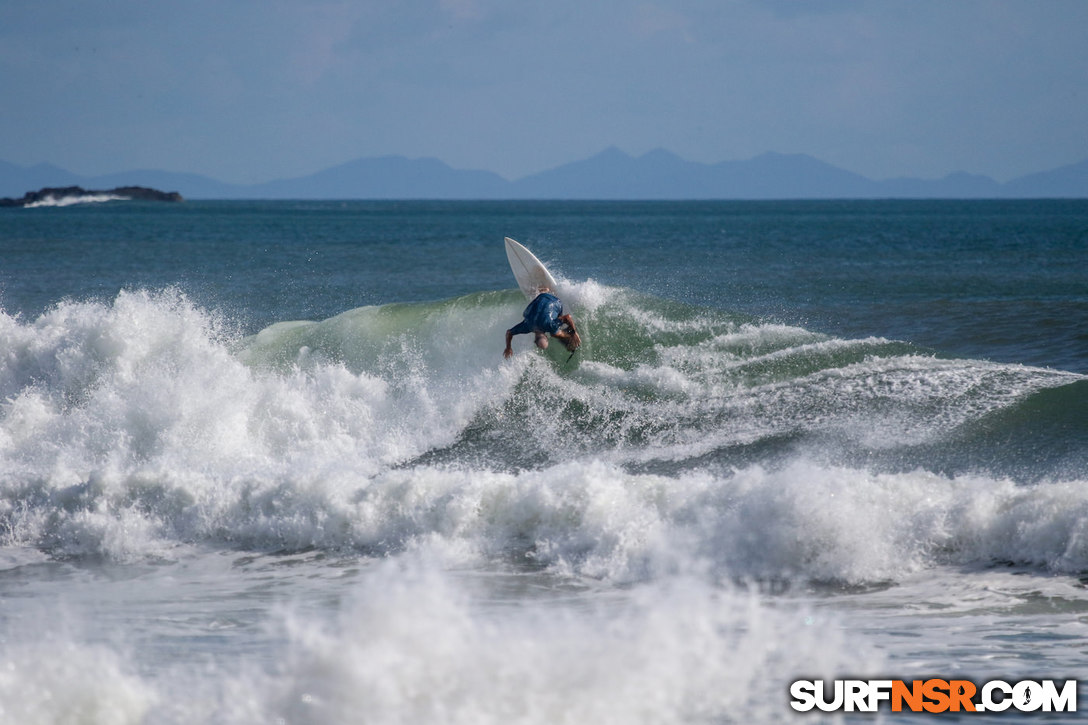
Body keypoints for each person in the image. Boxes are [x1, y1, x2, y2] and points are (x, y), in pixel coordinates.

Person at [503, 288, 581, 358]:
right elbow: (509, 332)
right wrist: (508, 347)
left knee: (554, 333)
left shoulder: (550, 326)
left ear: (546, 338)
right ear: (535, 340)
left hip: (556, 300)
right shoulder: (527, 326)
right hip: (540, 296)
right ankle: (543, 291)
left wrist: (574, 332)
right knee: (527, 315)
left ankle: (570, 337)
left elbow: (568, 317)